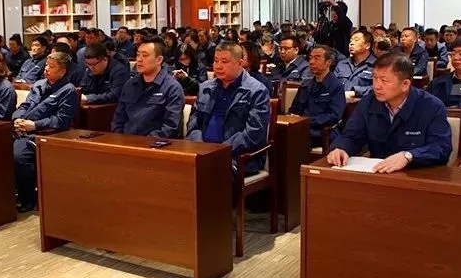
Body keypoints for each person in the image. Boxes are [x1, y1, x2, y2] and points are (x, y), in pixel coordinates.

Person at [327, 53, 452, 173]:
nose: (377, 86)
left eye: (384, 80)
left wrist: (409, 156)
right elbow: (352, 136)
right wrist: (341, 148)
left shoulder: (431, 106)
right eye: (375, 78)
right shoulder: (368, 102)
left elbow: (441, 147)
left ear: (405, 84)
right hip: (379, 172)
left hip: (417, 173)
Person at [186, 41, 271, 176]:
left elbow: (254, 134)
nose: (218, 66)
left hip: (236, 157)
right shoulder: (206, 87)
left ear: (240, 63)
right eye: (216, 61)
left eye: (224, 62)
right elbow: (194, 123)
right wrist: (200, 146)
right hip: (202, 152)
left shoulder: (257, 91)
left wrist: (219, 151)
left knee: (205, 175)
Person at [12, 52, 80, 212]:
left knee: (19, 155)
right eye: (46, 65)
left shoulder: (68, 90)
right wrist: (17, 118)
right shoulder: (39, 84)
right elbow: (25, 105)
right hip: (22, 128)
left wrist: (34, 125)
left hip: (45, 133)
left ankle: (27, 198)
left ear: (62, 71)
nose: (46, 69)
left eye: (51, 66)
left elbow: (61, 120)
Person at [112, 38, 184, 137]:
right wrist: (119, 138)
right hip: (126, 140)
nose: (139, 59)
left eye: (145, 55)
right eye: (138, 55)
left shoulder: (172, 87)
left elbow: (170, 127)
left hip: (154, 143)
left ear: (159, 60)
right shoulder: (130, 84)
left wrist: (142, 142)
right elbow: (118, 119)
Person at [289, 45, 345, 147]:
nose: (311, 62)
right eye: (310, 58)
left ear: (328, 62)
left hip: (321, 132)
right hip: (301, 129)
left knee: (294, 143)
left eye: (317, 58)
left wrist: (306, 121)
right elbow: (293, 110)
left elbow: (334, 116)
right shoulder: (306, 85)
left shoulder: (336, 86)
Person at [334, 31, 375, 99]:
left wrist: (354, 93)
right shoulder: (342, 64)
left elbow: (377, 88)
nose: (351, 43)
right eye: (350, 41)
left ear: (367, 46)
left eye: (356, 40)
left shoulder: (376, 65)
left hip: (364, 102)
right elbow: (333, 84)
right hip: (339, 102)